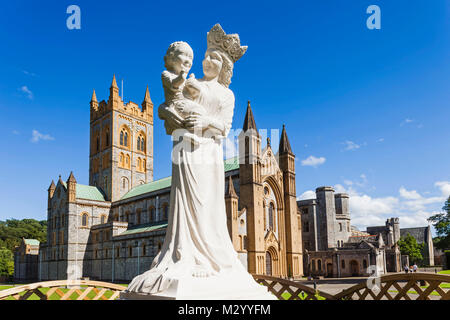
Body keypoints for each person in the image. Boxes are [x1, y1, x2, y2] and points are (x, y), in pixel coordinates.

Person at [125, 25, 273, 300]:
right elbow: (170, 102)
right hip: (184, 149)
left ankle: (207, 257)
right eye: (206, 55)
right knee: (186, 201)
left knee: (207, 203)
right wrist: (166, 112)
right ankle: (187, 254)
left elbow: (225, 127)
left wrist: (205, 121)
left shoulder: (227, 95)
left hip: (208, 152)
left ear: (225, 66)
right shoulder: (193, 83)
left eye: (215, 57)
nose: (207, 60)